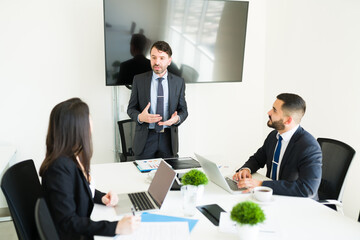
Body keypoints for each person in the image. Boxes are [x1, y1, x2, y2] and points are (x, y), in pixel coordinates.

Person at [39, 98, 141, 240]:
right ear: (77, 127)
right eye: (88, 117)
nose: (91, 121)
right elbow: (67, 222)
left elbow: (78, 190)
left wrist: (101, 197)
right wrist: (115, 227)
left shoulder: (72, 156)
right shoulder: (59, 169)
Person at [233, 93, 322, 199]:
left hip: (295, 202)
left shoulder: (308, 147)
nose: (269, 112)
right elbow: (258, 159)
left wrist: (261, 185)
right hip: (273, 197)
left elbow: (307, 189)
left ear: (288, 120)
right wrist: (246, 169)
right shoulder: (274, 136)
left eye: (274, 110)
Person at [127, 41, 188, 159]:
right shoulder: (139, 80)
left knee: (168, 176)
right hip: (145, 139)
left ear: (169, 61)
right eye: (153, 57)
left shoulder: (178, 82)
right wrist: (140, 117)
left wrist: (177, 119)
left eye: (162, 58)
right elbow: (131, 109)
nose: (157, 62)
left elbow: (183, 110)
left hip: (168, 140)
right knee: (141, 176)